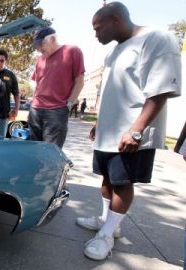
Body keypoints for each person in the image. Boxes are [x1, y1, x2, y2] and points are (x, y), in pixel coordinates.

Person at [76, 2, 182, 261]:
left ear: (115, 20)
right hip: (108, 131)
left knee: (122, 184)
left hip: (130, 133)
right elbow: (113, 91)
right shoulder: (114, 53)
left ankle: (107, 235)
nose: (96, 34)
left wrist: (136, 131)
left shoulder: (157, 39)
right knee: (106, 179)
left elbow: (162, 88)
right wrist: (99, 122)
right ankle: (106, 220)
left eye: (98, 28)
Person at [28, 26, 85, 148]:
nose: (38, 49)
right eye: (36, 45)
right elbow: (38, 84)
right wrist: (33, 103)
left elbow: (79, 81)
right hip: (35, 110)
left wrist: (68, 105)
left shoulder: (72, 51)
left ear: (53, 39)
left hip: (56, 110)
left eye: (41, 44)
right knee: (33, 149)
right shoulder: (39, 59)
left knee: (51, 152)